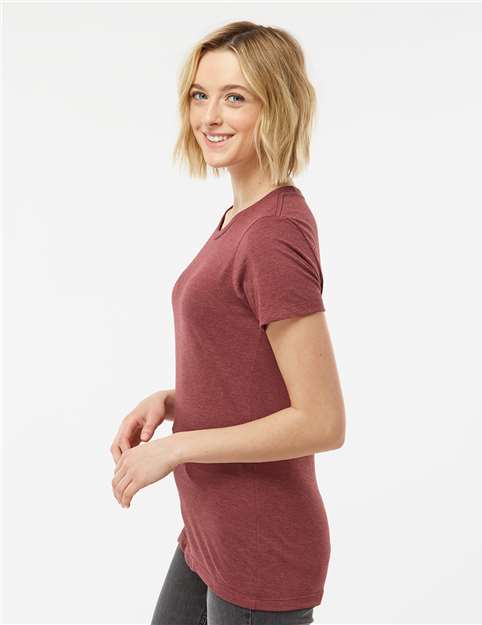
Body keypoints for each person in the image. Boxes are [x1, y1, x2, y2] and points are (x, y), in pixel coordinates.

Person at [110, 20, 346, 625]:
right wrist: (174, 401)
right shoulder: (241, 218)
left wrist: (177, 449)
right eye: (200, 95)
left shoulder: (272, 234)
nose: (210, 116)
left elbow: (322, 419)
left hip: (259, 548)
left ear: (277, 105)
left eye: (234, 97)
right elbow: (253, 369)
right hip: (210, 532)